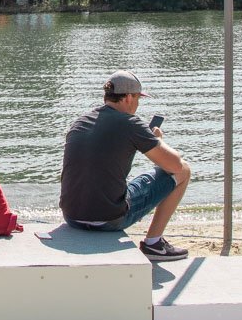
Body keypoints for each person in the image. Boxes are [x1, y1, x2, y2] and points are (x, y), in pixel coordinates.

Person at [59, 70, 192, 260]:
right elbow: (175, 166)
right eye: (138, 98)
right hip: (108, 219)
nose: (137, 104)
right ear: (128, 97)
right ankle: (154, 244)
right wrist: (158, 141)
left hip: (72, 216)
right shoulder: (131, 123)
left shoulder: (80, 122)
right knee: (184, 170)